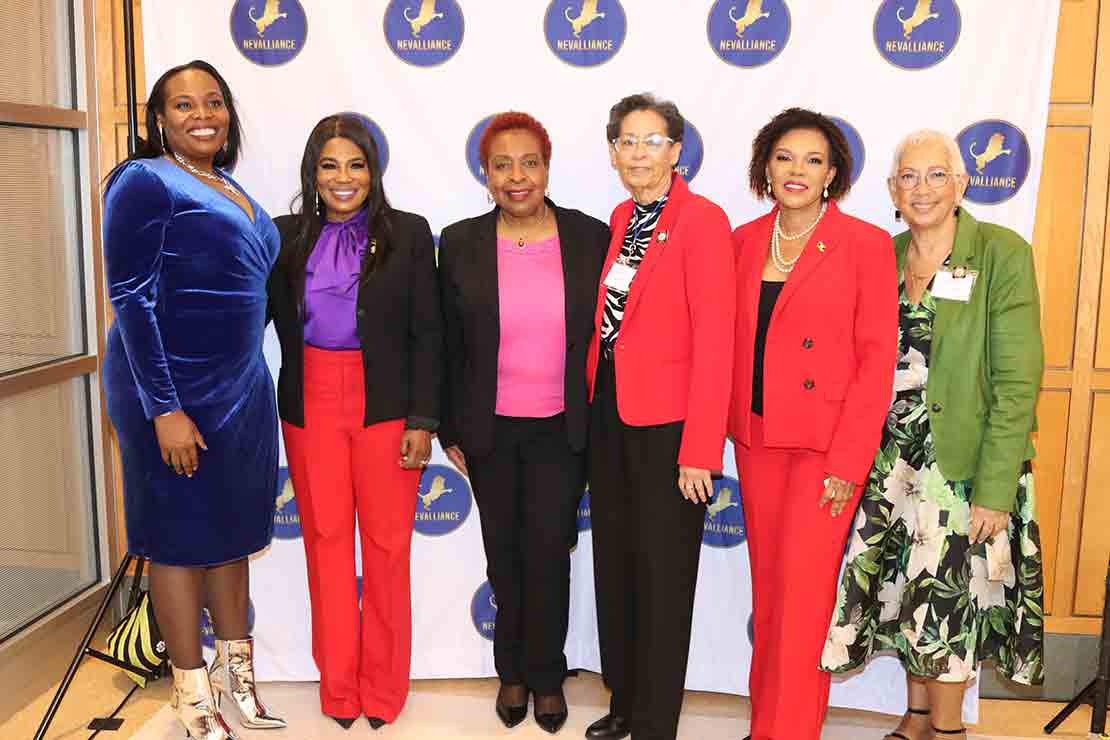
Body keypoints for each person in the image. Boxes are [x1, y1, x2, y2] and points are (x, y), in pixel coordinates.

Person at [821, 129, 1045, 740]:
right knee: (906, 593)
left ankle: (948, 731)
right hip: (893, 462)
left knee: (950, 602)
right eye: (909, 177)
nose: (922, 189)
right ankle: (917, 718)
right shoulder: (882, 256)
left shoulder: (1000, 252)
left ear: (961, 184)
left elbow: (1018, 380)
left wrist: (996, 488)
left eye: (935, 175)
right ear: (892, 190)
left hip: (964, 465)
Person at [102, 60, 284, 739]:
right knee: (177, 542)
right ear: (159, 118)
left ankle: (239, 687)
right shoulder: (142, 180)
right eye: (183, 105)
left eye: (213, 101)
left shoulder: (225, 184)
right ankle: (192, 698)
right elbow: (132, 298)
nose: (202, 113)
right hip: (168, 391)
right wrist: (164, 409)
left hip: (238, 390)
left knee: (232, 536)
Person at [728, 107, 898, 740]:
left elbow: (876, 362)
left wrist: (848, 463)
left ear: (833, 174)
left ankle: (789, 730)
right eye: (784, 157)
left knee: (805, 602)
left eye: (813, 160)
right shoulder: (744, 240)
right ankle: (763, 722)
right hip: (757, 441)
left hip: (825, 454)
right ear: (765, 168)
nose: (797, 170)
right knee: (770, 596)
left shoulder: (866, 245)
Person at [268, 113, 442, 730]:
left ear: (374, 170)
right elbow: (244, 318)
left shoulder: (410, 234)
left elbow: (429, 332)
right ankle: (338, 687)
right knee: (327, 546)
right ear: (312, 173)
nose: (343, 178)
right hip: (310, 401)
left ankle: (384, 688)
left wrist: (423, 418)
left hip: (387, 407)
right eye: (329, 165)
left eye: (356, 164)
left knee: (389, 548)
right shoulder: (283, 236)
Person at [438, 111, 609, 735]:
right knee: (502, 556)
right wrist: (448, 428)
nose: (517, 177)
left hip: (563, 429)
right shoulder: (458, 243)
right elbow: (446, 343)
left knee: (548, 556)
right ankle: (509, 671)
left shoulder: (590, 238)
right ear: (486, 176)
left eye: (529, 163)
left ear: (547, 168)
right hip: (489, 429)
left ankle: (545, 675)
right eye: (502, 165)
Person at [584, 93, 735, 740]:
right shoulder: (622, 216)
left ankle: (653, 725)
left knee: (663, 579)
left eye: (652, 141)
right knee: (616, 568)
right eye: (626, 141)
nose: (638, 153)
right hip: (611, 416)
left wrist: (701, 446)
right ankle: (624, 705)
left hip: (672, 429)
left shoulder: (702, 220)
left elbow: (716, 339)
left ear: (677, 151)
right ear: (612, 151)